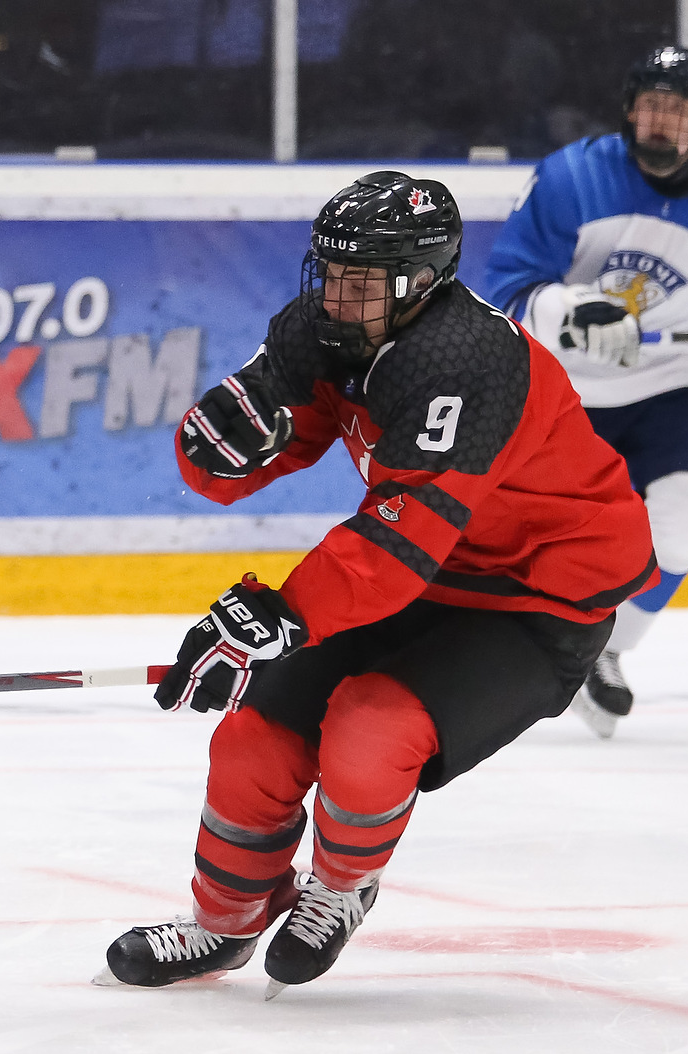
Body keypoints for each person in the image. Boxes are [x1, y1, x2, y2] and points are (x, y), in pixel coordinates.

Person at [100, 172, 655, 997]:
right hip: (420, 576)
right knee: (253, 741)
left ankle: (341, 883)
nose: (333, 296)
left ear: (421, 282)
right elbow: (273, 445)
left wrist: (281, 614)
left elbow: (401, 541)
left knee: (370, 730)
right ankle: (221, 923)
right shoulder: (325, 326)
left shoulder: (465, 360)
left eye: (359, 282)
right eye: (328, 272)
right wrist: (212, 447)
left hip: (541, 595)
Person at [483, 46, 688, 738]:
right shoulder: (572, 176)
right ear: (629, 111)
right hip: (565, 393)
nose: (661, 121)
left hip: (671, 385)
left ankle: (606, 649)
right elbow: (508, 289)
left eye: (678, 109)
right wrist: (571, 311)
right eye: (650, 105)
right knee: (524, 546)